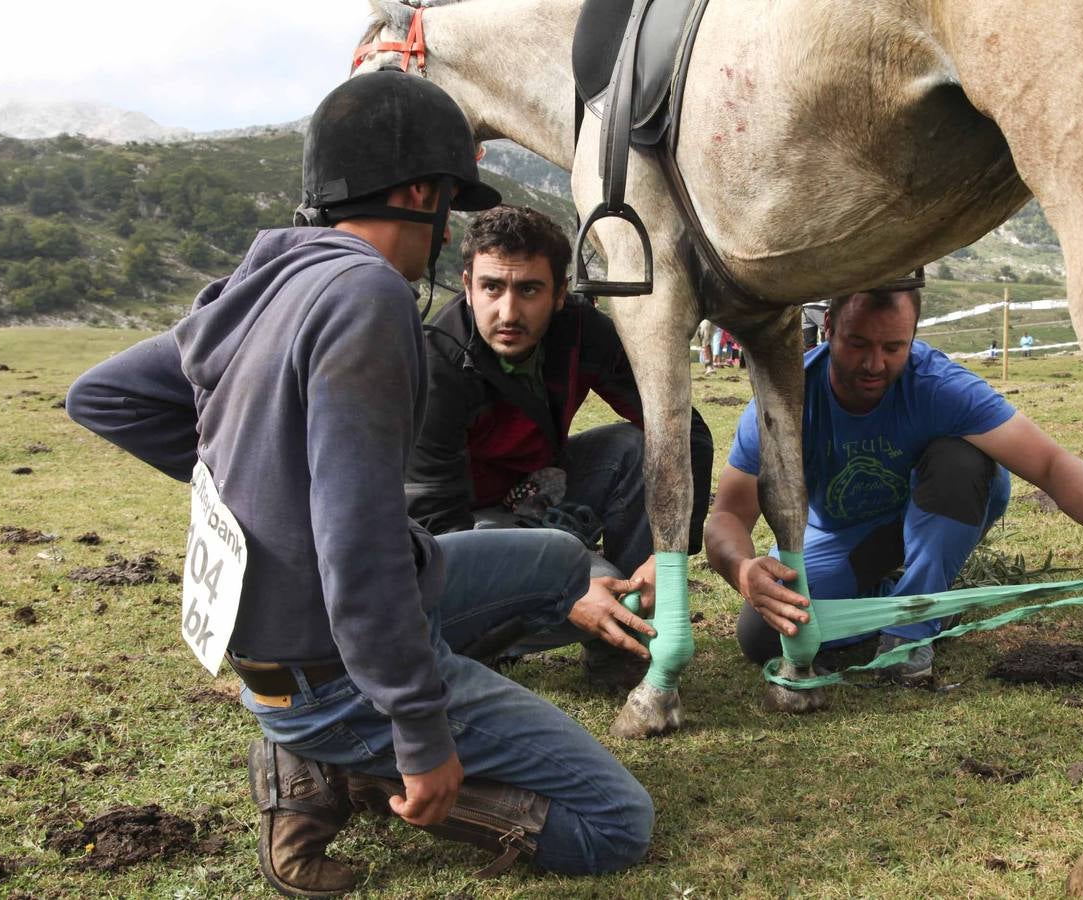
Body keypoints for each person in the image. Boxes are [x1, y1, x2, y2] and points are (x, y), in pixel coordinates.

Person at [66, 71, 652, 897]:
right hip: (333, 667)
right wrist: (420, 735)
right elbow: (358, 543)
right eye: (447, 199)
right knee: (615, 824)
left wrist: (261, 486)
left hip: (294, 639)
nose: (445, 227)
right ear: (419, 191)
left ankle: (319, 738)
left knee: (559, 559)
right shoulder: (368, 292)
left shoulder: (269, 277)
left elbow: (105, 395)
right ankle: (350, 770)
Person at [705, 286, 1083, 682]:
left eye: (893, 347)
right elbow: (727, 513)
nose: (873, 364)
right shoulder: (785, 400)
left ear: (914, 338)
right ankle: (928, 598)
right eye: (857, 343)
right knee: (762, 634)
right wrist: (743, 570)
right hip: (848, 540)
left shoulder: (940, 386)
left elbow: (1052, 464)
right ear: (828, 326)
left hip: (935, 515)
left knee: (962, 459)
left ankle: (912, 626)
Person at [406, 205, 713, 674]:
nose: (508, 312)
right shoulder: (437, 365)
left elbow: (681, 426)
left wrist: (668, 556)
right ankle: (479, 640)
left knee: (633, 448)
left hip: (544, 493)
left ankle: (622, 651)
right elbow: (437, 530)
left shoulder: (583, 331)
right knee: (597, 587)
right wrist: (558, 586)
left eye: (529, 289)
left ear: (560, 294)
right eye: (492, 287)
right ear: (467, 287)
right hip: (472, 526)